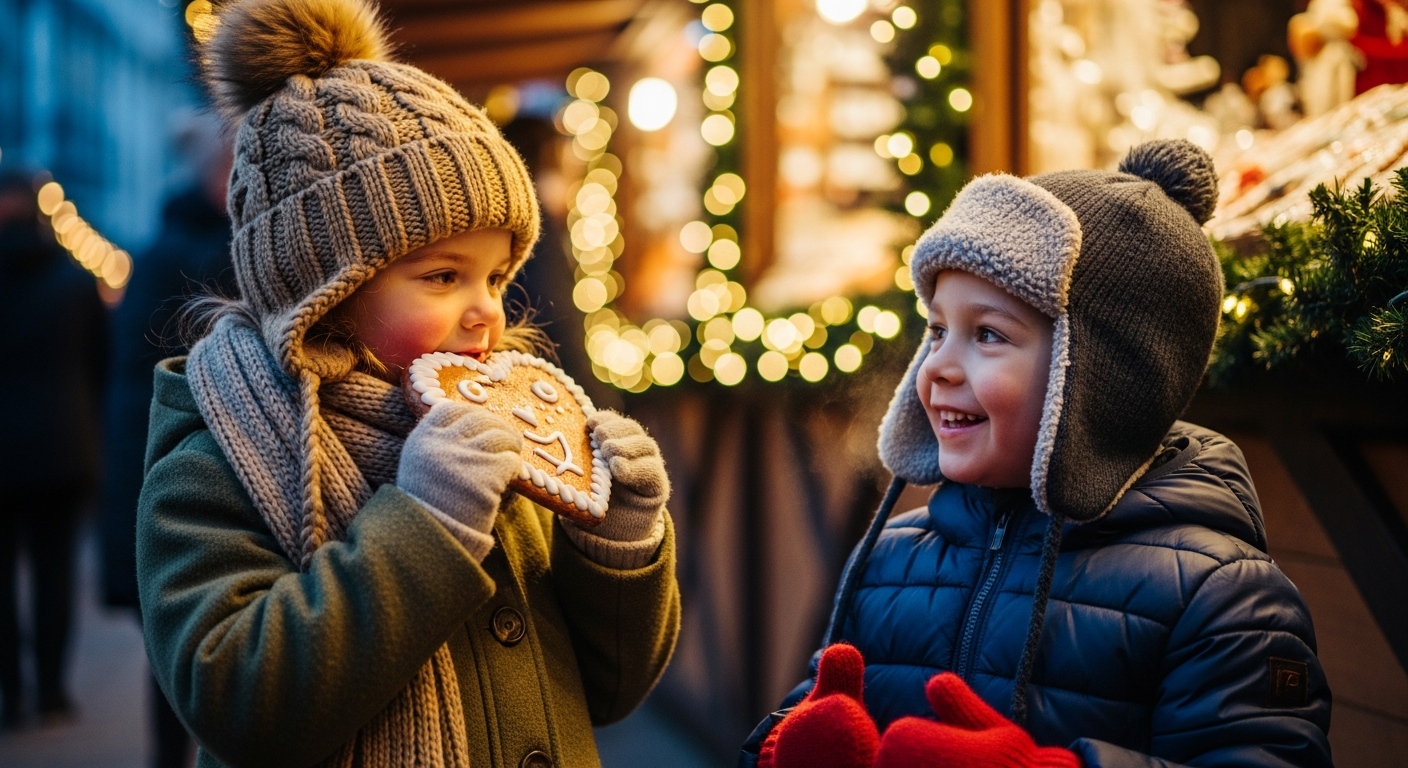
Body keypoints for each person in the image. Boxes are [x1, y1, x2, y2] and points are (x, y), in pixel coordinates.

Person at [135, 1, 680, 767]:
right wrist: (428, 521)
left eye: (495, 275)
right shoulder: (220, 450)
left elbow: (611, 689)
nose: (486, 310)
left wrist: (618, 542)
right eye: (443, 276)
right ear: (326, 287)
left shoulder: (508, 429)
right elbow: (235, 701)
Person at [741, 140, 1333, 767]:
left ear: (1098, 378)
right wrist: (785, 748)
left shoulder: (1220, 599)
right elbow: (804, 713)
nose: (937, 364)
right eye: (937, 329)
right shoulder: (891, 558)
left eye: (988, 334)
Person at [101, 113, 233, 768]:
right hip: (168, 465)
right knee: (184, 641)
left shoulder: (165, 246)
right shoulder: (196, 257)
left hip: (150, 461)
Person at [0, 169, 107, 727]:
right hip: (62, 446)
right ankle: (51, 689)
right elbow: (100, 364)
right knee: (54, 570)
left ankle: (8, 693)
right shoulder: (74, 280)